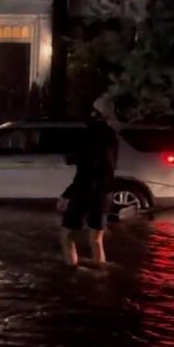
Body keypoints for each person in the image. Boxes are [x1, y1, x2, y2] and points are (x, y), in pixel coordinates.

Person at [56, 97, 119, 267]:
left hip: (87, 192)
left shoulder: (90, 135)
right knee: (96, 239)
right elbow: (105, 165)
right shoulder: (112, 136)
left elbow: (86, 171)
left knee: (66, 235)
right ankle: (101, 273)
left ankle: (72, 273)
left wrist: (66, 195)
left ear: (95, 113)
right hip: (105, 193)